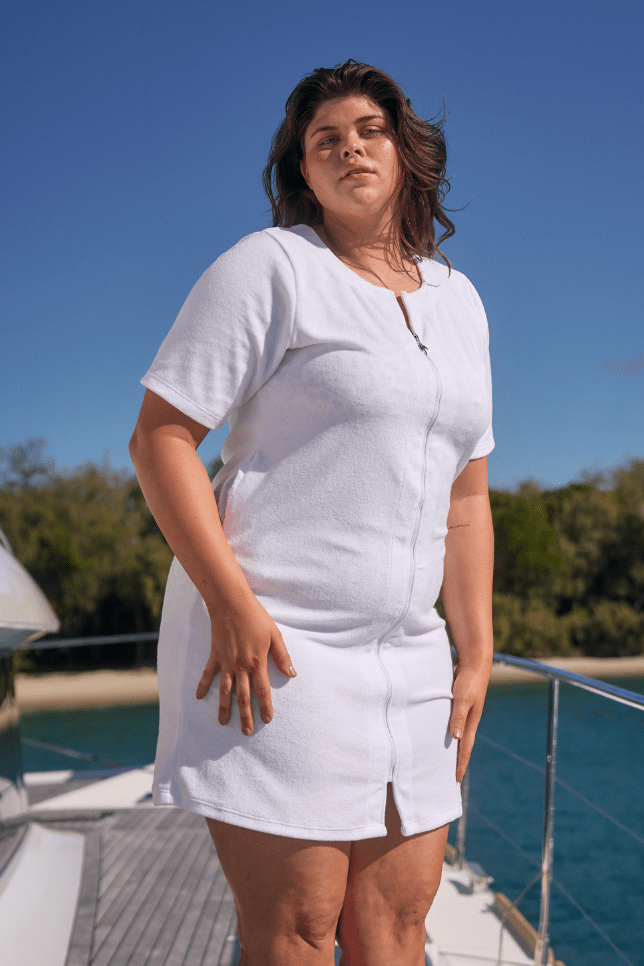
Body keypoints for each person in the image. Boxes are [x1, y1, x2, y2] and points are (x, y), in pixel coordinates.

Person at [129, 60, 494, 966]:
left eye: (368, 129)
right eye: (324, 139)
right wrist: (231, 603)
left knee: (400, 928)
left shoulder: (461, 302)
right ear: (303, 170)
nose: (348, 148)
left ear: (407, 152)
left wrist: (476, 648)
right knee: (298, 929)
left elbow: (467, 494)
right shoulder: (271, 268)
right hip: (271, 647)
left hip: (410, 657)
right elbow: (162, 437)